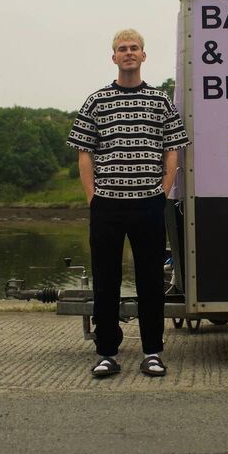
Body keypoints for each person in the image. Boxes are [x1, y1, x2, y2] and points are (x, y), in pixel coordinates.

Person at [67, 28, 189, 378]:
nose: (129, 53)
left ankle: (152, 351)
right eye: (122, 49)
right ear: (114, 57)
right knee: (106, 281)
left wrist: (162, 191)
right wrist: (93, 197)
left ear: (144, 55)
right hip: (107, 205)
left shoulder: (160, 101)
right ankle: (107, 352)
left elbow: (173, 149)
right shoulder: (96, 101)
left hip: (148, 204)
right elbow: (84, 153)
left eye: (134, 48)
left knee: (151, 280)